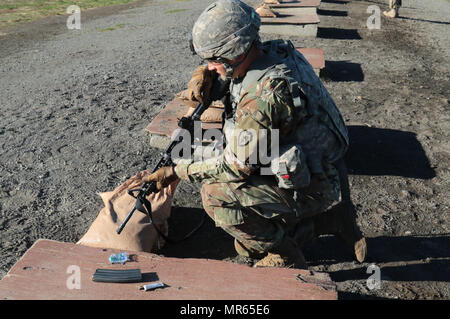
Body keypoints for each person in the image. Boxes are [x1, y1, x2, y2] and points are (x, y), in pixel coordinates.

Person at [144, 0, 366, 268]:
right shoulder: (271, 52)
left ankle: (287, 254)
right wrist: (204, 74)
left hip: (315, 184)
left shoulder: (265, 97)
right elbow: (238, 79)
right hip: (313, 165)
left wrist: (176, 172)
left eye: (214, 59)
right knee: (245, 244)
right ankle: (329, 221)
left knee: (216, 197)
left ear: (234, 51)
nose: (211, 65)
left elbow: (236, 168)